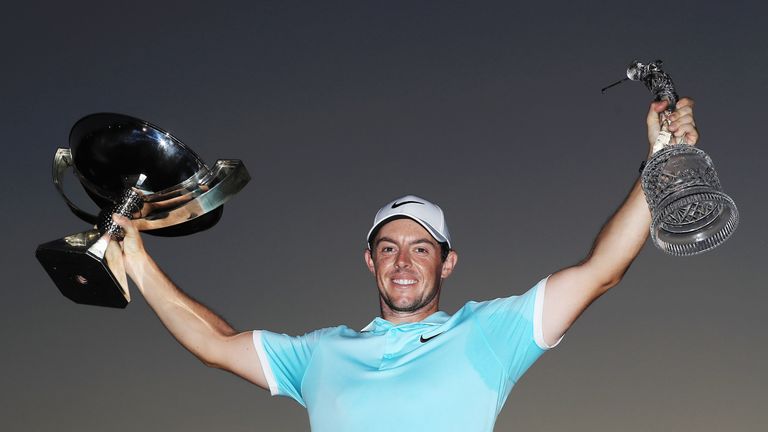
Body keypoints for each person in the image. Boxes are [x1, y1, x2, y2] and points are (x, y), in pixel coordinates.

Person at [111, 98, 698, 431]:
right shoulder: (320, 354)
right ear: (369, 261)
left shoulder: (489, 334)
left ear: (447, 264)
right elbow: (216, 342)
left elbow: (602, 271)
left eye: (422, 248)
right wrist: (136, 259)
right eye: (389, 247)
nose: (404, 261)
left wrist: (663, 160)